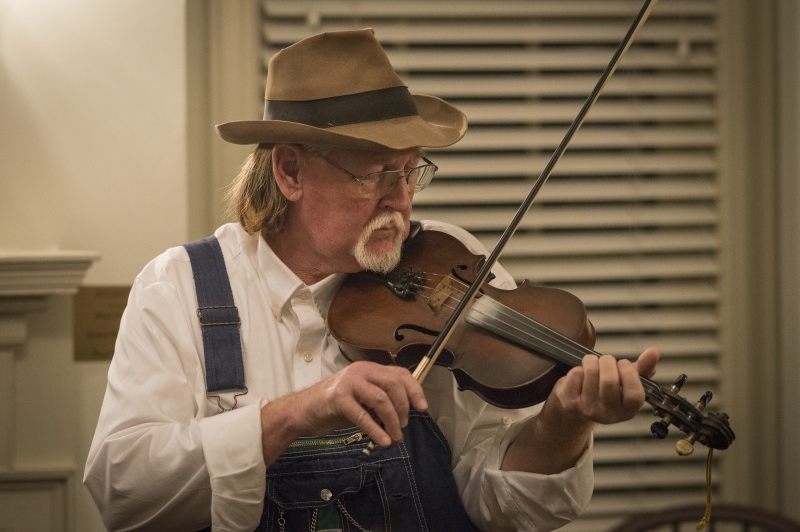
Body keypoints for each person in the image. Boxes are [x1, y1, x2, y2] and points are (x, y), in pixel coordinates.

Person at [84, 28, 660, 531]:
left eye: (412, 172)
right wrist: (295, 412)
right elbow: (123, 492)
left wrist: (560, 427)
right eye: (376, 175)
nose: (402, 199)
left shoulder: (447, 267)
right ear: (290, 171)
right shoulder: (178, 287)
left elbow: (494, 504)